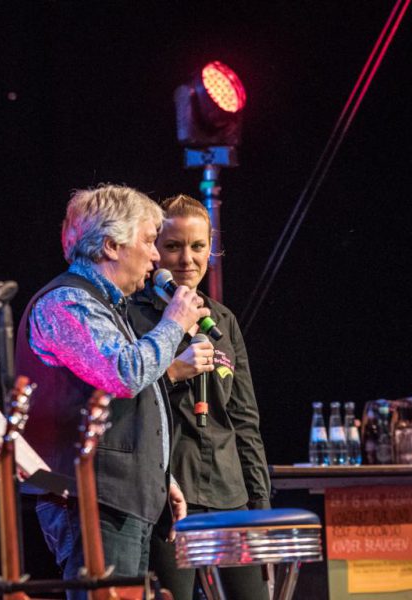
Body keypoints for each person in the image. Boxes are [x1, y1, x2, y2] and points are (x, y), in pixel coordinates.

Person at [15, 184, 210, 599]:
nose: (157, 256)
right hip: (88, 498)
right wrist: (174, 323)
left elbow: (135, 403)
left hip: (120, 497)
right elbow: (123, 374)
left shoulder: (108, 308)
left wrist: (159, 476)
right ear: (109, 245)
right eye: (147, 241)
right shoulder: (67, 302)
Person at [129, 194, 271, 600]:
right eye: (173, 246)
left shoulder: (222, 319)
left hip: (229, 493)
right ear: (154, 249)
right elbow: (126, 397)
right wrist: (175, 373)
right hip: (169, 497)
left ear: (212, 249)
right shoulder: (135, 316)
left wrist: (259, 502)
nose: (186, 259)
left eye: (197, 246)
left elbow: (244, 419)